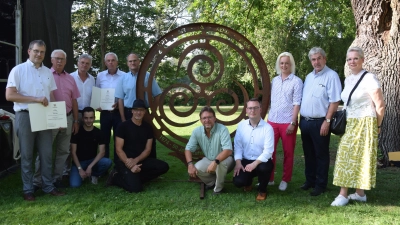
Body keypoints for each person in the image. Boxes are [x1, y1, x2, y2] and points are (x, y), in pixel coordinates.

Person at [5, 40, 64, 201]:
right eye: (36, 51)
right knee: (27, 155)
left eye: (42, 52)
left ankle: (47, 186)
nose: (39, 54)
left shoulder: (47, 72)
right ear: (29, 51)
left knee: (46, 154)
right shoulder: (18, 70)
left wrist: (56, 117)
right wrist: (35, 99)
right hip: (25, 115)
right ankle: (28, 189)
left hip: (44, 115)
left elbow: (50, 96)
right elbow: (9, 95)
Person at [330, 47, 385, 206]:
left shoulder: (370, 78)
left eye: (355, 58)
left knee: (359, 157)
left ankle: (348, 194)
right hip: (350, 121)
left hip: (365, 121)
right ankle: (355, 194)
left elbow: (380, 105)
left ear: (362, 60)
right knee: (345, 154)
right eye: (349, 59)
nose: (352, 62)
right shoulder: (348, 79)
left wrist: (377, 126)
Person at [33, 49, 80, 189]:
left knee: (64, 150)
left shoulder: (70, 78)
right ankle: (37, 181)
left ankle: (57, 178)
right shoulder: (44, 75)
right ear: (51, 60)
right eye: (57, 58)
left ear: (66, 61)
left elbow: (74, 100)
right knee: (44, 150)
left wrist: (76, 120)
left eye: (62, 59)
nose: (59, 61)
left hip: (68, 118)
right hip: (49, 118)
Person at [299, 47, 342, 196]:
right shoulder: (309, 77)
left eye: (318, 58)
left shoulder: (332, 76)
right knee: (308, 153)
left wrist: (327, 120)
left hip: (320, 122)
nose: (316, 62)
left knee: (321, 155)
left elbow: (335, 101)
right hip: (305, 122)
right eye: (313, 59)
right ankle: (309, 181)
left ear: (324, 59)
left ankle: (320, 184)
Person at [106, 99, 169, 192]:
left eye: (141, 110)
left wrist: (136, 161)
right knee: (136, 188)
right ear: (132, 111)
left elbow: (148, 150)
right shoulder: (123, 127)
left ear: (145, 112)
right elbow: (119, 150)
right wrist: (130, 165)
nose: (138, 112)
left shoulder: (148, 128)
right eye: (136, 110)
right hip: (124, 161)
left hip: (140, 160)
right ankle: (115, 177)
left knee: (163, 166)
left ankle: (135, 178)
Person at [267, 52, 303, 191]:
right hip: (272, 121)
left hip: (288, 122)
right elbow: (271, 101)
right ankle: (269, 178)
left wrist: (293, 123)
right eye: (281, 63)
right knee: (269, 151)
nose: (284, 65)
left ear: (291, 64)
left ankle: (285, 179)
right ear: (279, 64)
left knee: (288, 152)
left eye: (287, 63)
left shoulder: (296, 81)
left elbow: (296, 103)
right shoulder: (274, 81)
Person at [115, 53, 162, 158]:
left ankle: (151, 165)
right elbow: (120, 99)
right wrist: (123, 118)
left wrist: (153, 113)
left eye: (135, 60)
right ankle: (129, 165)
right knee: (129, 140)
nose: (133, 63)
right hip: (128, 113)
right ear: (127, 63)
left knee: (149, 138)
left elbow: (158, 95)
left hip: (144, 113)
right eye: (130, 61)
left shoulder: (148, 76)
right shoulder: (123, 78)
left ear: (139, 61)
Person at [185, 106, 235, 194]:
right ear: (200, 120)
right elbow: (188, 149)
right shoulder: (197, 132)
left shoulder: (222, 129)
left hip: (226, 159)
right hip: (209, 159)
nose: (207, 120)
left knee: (220, 163)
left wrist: (215, 162)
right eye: (204, 118)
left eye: (209, 117)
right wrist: (189, 164)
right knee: (196, 168)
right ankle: (212, 182)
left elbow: (228, 150)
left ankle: (218, 189)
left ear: (214, 118)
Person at [233, 98, 274, 201]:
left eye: (256, 108)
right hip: (246, 160)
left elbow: (268, 151)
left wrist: (254, 164)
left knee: (264, 168)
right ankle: (248, 183)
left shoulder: (268, 128)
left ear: (260, 109)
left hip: (261, 161)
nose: (253, 111)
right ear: (246, 110)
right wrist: (238, 163)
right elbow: (238, 146)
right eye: (250, 108)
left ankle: (262, 190)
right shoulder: (241, 126)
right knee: (238, 182)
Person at [70, 107, 112, 188]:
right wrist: (80, 169)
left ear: (94, 118)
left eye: (91, 118)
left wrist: (90, 166)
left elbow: (102, 152)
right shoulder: (77, 132)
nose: (88, 120)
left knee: (107, 162)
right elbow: (73, 152)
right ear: (82, 118)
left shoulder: (99, 132)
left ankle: (94, 174)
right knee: (74, 185)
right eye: (86, 118)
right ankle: (82, 174)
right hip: (79, 162)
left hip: (92, 161)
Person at [95, 52, 125, 159]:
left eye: (113, 60)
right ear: (105, 62)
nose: (111, 62)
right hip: (105, 113)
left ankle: (119, 166)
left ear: (117, 62)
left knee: (119, 139)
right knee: (104, 139)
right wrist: (97, 105)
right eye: (108, 60)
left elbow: (126, 93)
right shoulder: (100, 75)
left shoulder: (124, 75)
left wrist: (120, 103)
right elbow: (97, 92)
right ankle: (105, 164)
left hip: (118, 112)